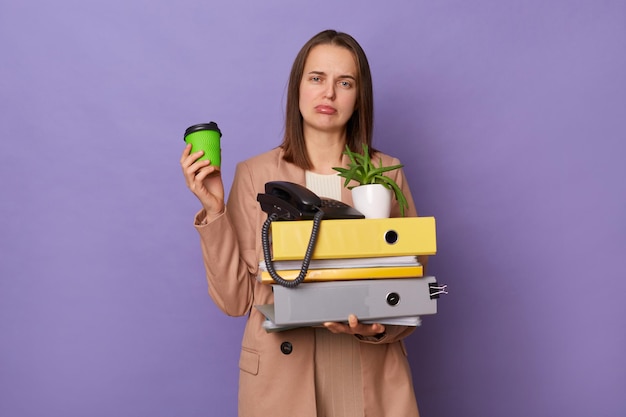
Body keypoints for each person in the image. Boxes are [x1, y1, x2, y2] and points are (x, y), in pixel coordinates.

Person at [181, 29, 423, 417]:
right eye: (317, 78)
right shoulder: (254, 173)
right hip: (281, 384)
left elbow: (410, 288)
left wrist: (376, 328)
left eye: (344, 82)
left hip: (371, 380)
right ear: (297, 88)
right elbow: (235, 300)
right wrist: (214, 211)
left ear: (359, 98)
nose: (329, 93)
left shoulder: (385, 174)